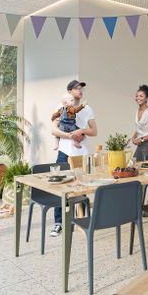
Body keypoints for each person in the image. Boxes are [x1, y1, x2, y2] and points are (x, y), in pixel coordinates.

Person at [50, 79, 97, 237]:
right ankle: (59, 223)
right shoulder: (61, 106)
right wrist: (71, 135)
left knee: (82, 187)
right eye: (76, 88)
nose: (80, 90)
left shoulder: (87, 108)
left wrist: (81, 131)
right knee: (61, 188)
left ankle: (83, 222)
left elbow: (94, 131)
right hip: (64, 152)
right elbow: (54, 130)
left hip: (81, 153)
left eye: (81, 88)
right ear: (69, 91)